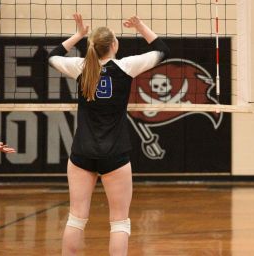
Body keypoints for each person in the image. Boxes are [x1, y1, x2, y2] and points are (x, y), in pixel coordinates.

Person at [48, 13, 169, 256]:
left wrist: (78, 35)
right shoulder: (126, 67)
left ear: (92, 46)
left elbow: (52, 56)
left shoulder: (81, 67)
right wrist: (140, 26)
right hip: (115, 153)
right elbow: (162, 50)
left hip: (82, 152)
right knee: (119, 222)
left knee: (76, 217)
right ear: (114, 45)